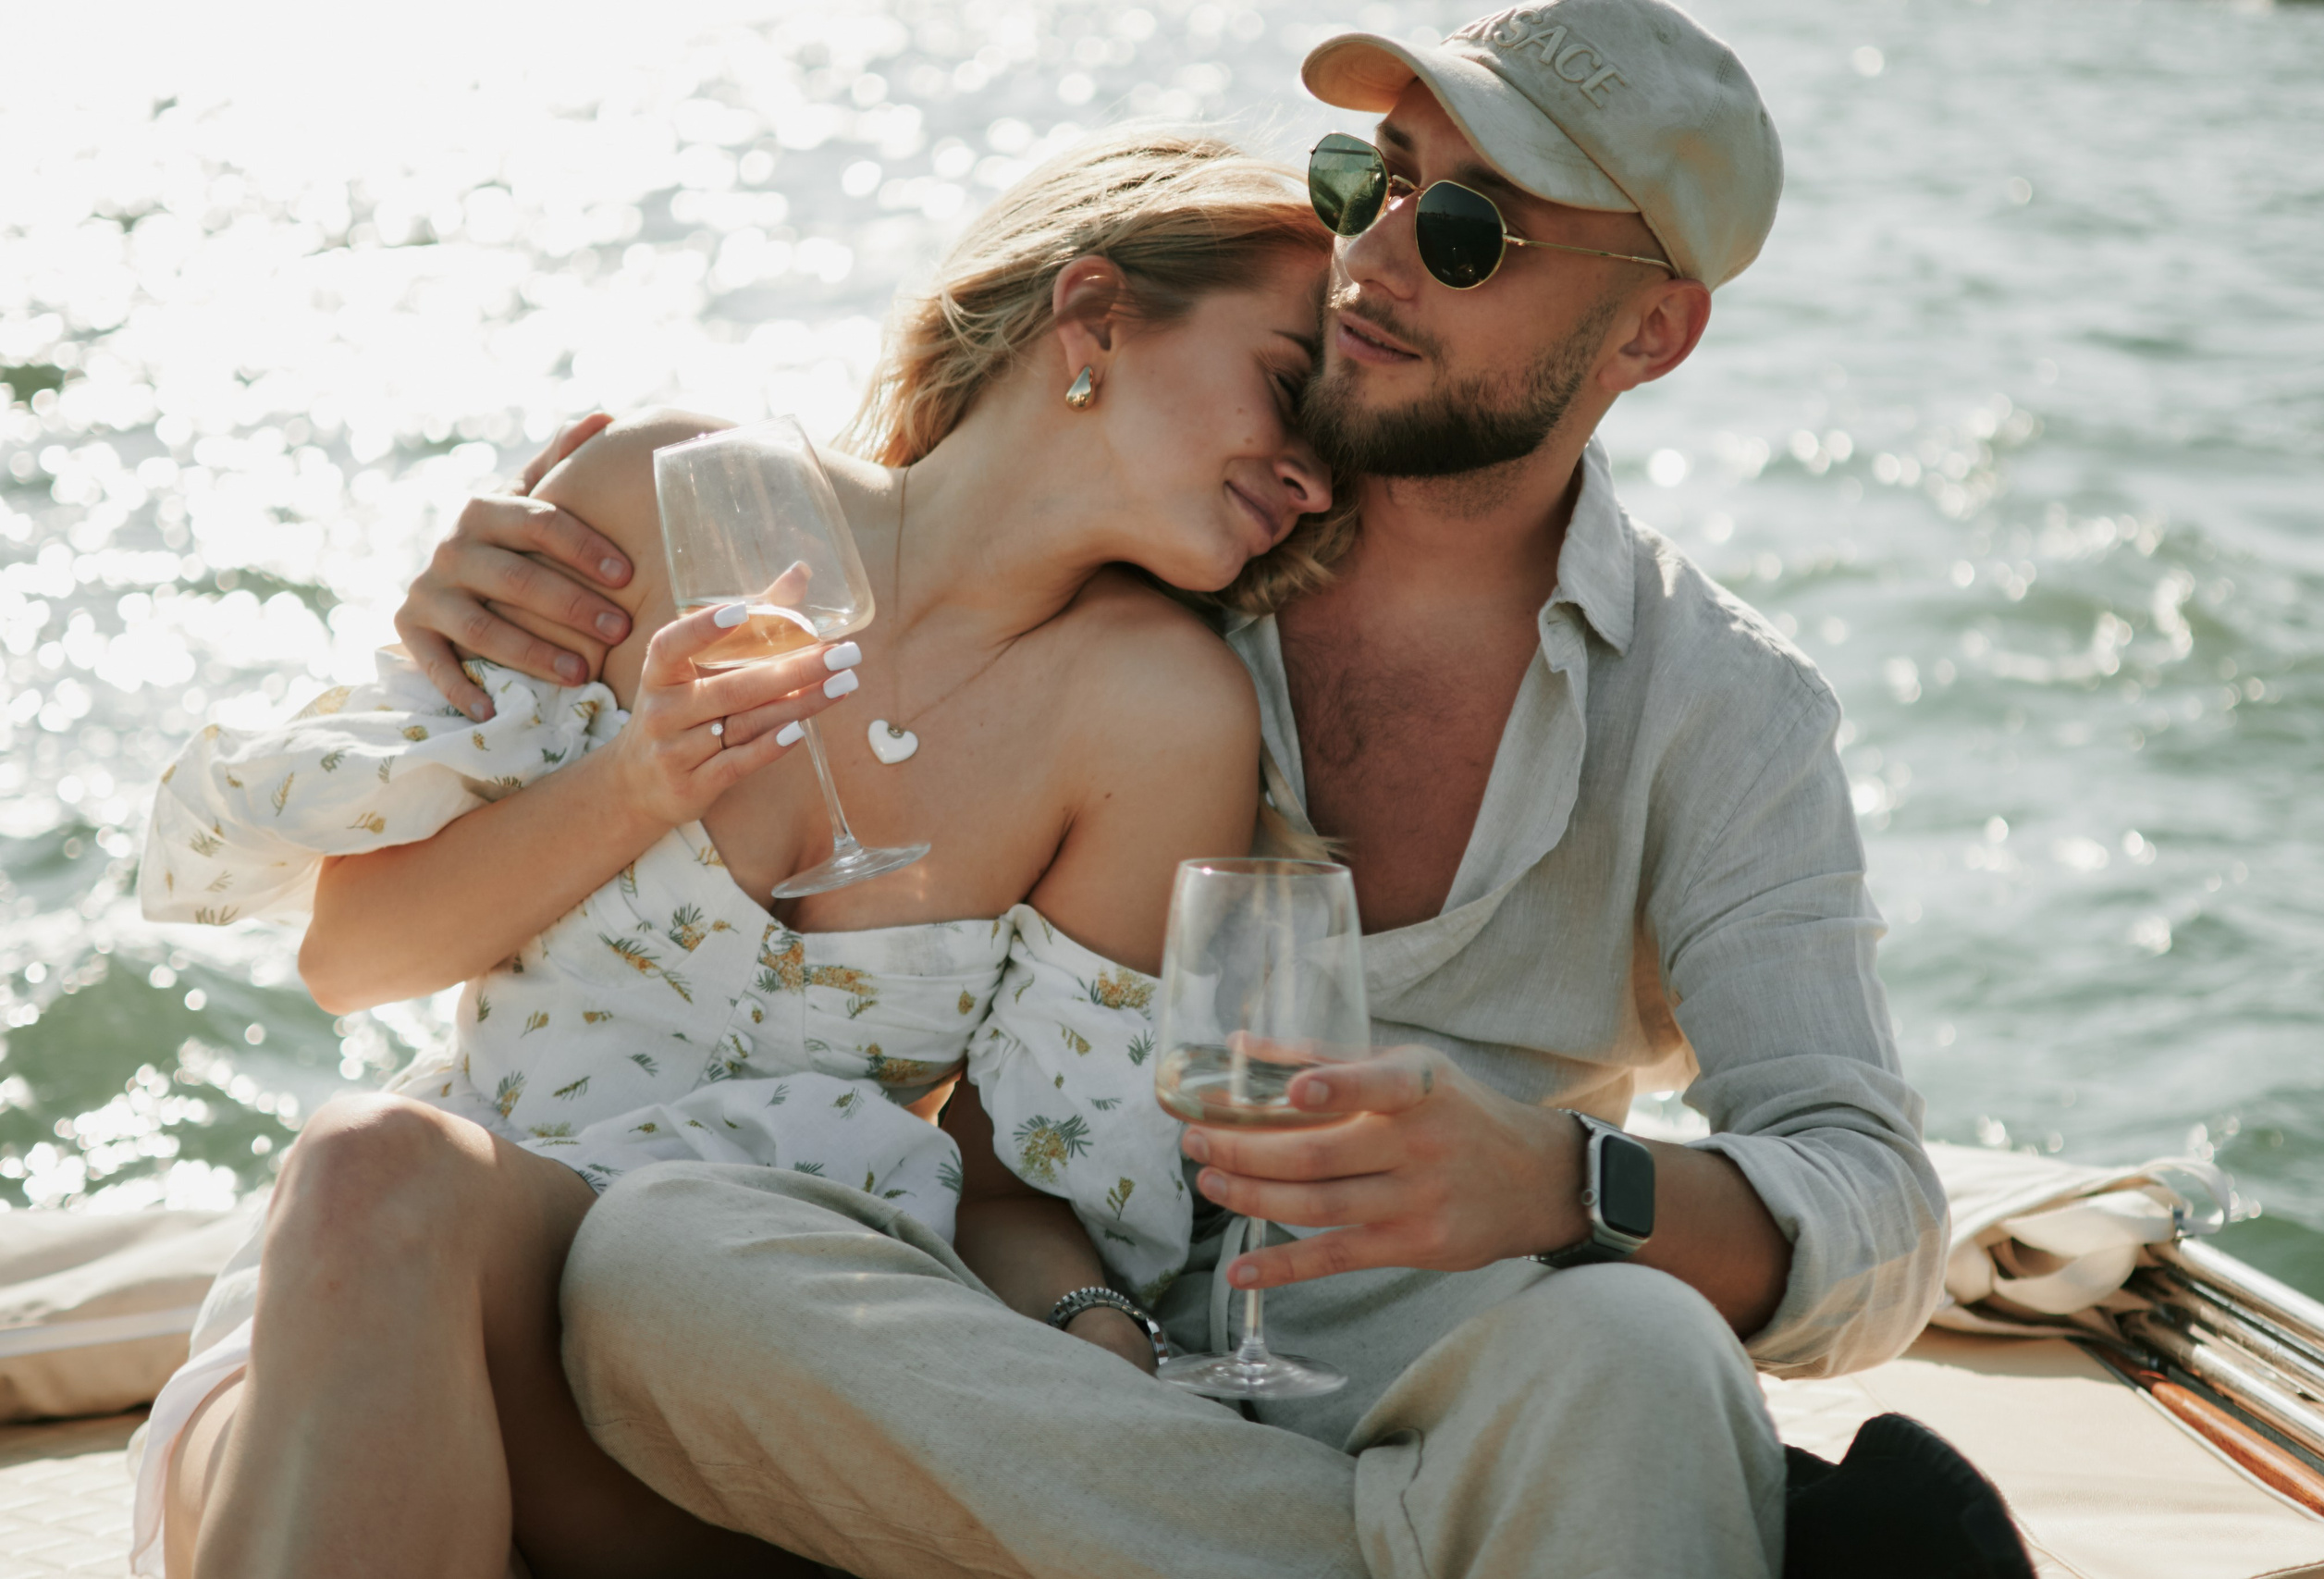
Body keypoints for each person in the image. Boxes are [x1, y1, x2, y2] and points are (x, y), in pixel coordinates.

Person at [397, 4, 1958, 1576]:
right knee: (669, 1262)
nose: (1381, 254)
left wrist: (1561, 1177)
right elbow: (901, 525)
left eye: (1474, 231)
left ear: (1650, 337)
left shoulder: (1720, 710)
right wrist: (491, 581)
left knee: (1642, 1349)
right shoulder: (1170, 526)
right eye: (1374, 179)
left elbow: (1873, 1206)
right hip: (1025, 1362)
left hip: (1453, 1376)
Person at [130, 130, 1342, 1579]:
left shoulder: (1151, 718)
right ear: (1093, 317)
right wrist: (641, 781)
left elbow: (1019, 1186)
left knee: (369, 1195)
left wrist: (1099, 1362)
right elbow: (353, 957)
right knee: (367, 1176)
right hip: (403, 1265)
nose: (1315, 476)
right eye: (1287, 382)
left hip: (700, 1369)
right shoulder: (665, 494)